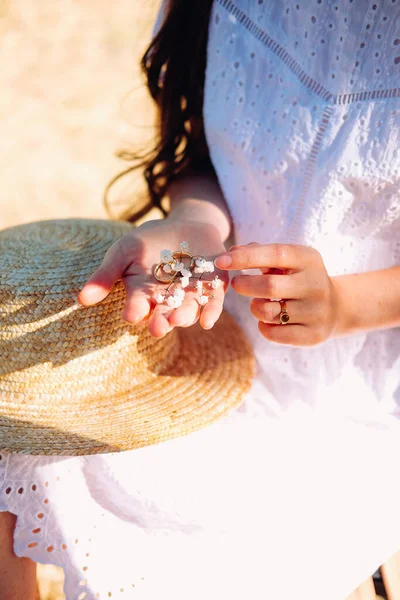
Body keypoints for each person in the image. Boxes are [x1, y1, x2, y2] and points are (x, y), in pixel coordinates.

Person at [1, 1, 400, 599]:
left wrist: (344, 305)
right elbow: (200, 152)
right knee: (21, 442)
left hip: (359, 398)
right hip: (207, 343)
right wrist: (195, 225)